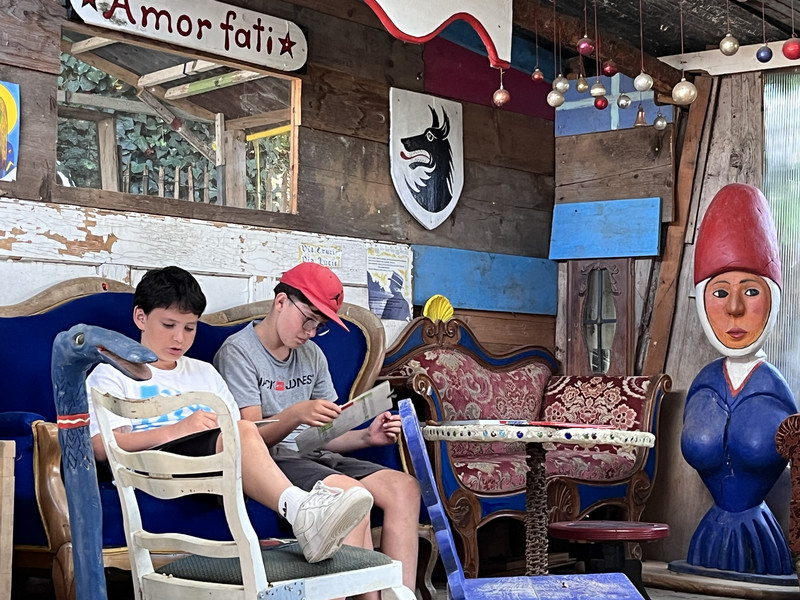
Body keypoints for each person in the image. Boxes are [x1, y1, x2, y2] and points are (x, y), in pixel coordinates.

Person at [86, 265, 374, 564]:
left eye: (190, 328)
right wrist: (176, 430)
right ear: (140, 317)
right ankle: (301, 510)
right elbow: (101, 446)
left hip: (214, 473)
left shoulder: (204, 373)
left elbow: (238, 435)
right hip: (154, 467)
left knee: (244, 432)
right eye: (168, 325)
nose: (179, 339)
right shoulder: (111, 373)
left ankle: (362, 572)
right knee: (244, 430)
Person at [213, 262, 421, 592]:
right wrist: (295, 414)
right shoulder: (239, 352)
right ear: (281, 301)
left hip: (314, 457)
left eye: (319, 325)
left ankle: (401, 595)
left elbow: (322, 437)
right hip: (275, 461)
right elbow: (248, 437)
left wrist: (367, 437)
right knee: (353, 497)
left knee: (404, 488)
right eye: (308, 319)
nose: (310, 332)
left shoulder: (312, 355)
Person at [681, 183, 797, 575]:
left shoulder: (775, 389)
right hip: (706, 545)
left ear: (773, 299)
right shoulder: (703, 384)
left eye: (750, 291)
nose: (734, 308)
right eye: (719, 293)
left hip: (762, 547)